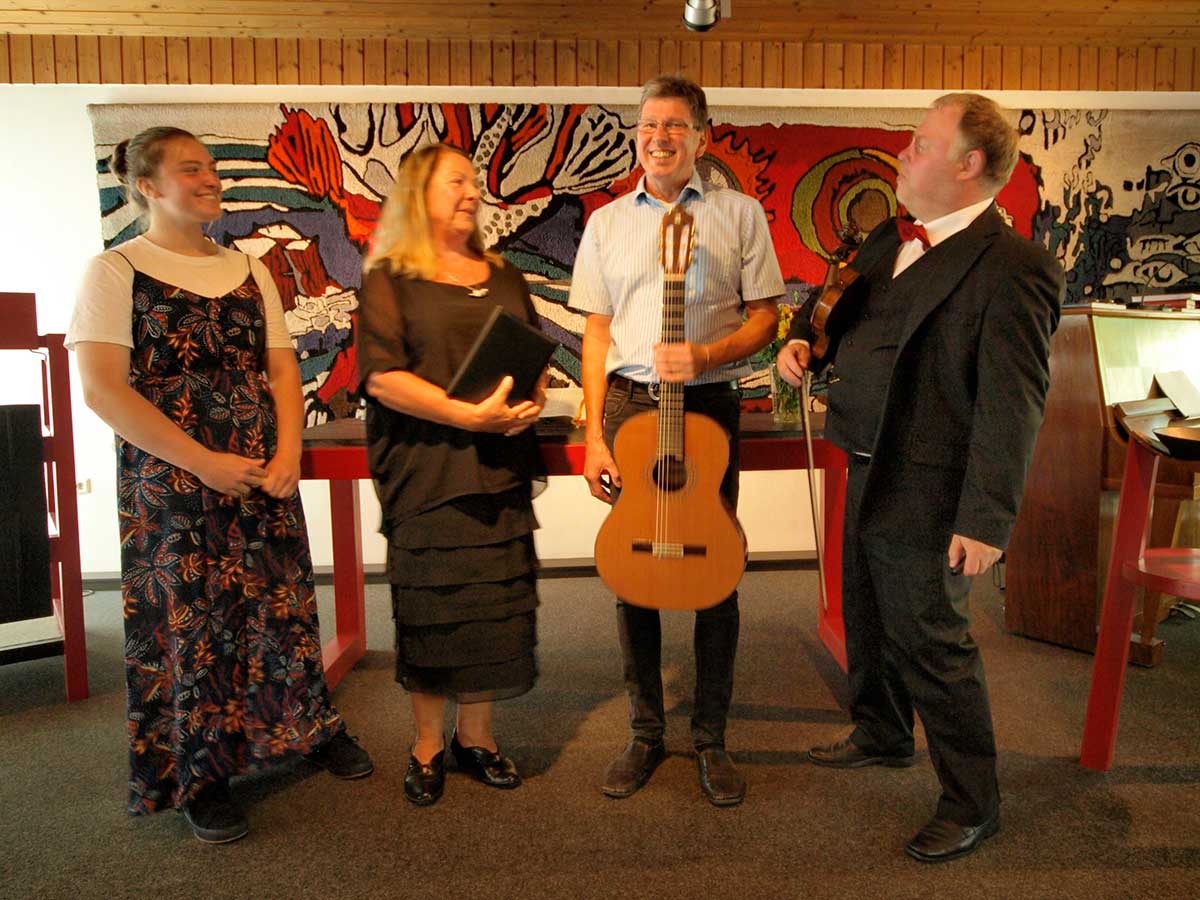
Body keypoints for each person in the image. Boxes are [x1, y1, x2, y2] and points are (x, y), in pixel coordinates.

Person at [777, 93, 1064, 862]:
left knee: (932, 643)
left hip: (934, 483)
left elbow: (1015, 405)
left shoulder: (1016, 267)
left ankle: (973, 801)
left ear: (969, 165)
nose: (903, 153)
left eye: (921, 143)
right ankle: (879, 732)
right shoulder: (886, 237)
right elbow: (833, 314)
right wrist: (802, 343)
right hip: (864, 459)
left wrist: (986, 520)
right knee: (866, 610)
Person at [69, 126, 373, 845]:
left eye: (211, 167)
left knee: (281, 606)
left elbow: (280, 372)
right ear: (147, 185)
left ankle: (306, 729)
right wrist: (201, 462)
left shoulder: (248, 267)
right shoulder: (114, 272)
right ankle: (200, 775)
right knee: (193, 624)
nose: (210, 178)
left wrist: (290, 451)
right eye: (190, 169)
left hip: (262, 470)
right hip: (172, 481)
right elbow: (104, 391)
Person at [570, 75, 784, 807]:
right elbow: (595, 332)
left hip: (706, 406)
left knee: (715, 567)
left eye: (674, 125)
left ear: (701, 135)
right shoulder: (605, 225)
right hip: (630, 405)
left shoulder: (739, 215)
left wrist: (706, 356)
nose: (658, 137)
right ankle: (645, 730)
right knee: (635, 571)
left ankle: (712, 737)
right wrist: (594, 435)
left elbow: (766, 319)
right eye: (648, 124)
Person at [356, 143, 547, 807]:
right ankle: (429, 745)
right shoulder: (388, 278)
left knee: (496, 605)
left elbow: (533, 355)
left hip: (500, 467)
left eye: (474, 182)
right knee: (433, 607)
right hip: (427, 472)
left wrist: (530, 404)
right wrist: (469, 417)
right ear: (418, 194)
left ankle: (480, 738)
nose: (472, 192)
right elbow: (382, 378)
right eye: (456, 182)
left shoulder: (503, 275)